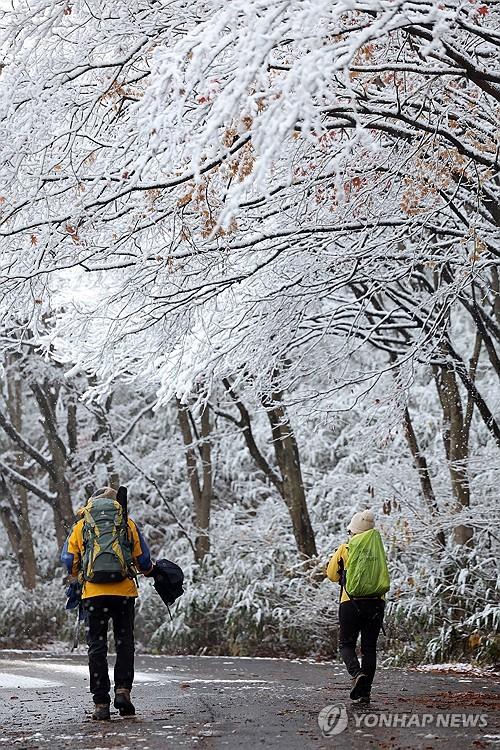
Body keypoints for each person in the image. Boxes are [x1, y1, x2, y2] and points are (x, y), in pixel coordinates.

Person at [61, 486, 154, 721]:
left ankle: (101, 703)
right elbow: (143, 559)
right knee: (124, 643)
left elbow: (69, 559)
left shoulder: (82, 525)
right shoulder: (126, 522)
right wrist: (148, 570)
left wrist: (80, 576)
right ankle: (123, 691)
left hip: (93, 594)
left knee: (97, 647)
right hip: (123, 592)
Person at [326, 509, 388, 704]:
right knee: (369, 648)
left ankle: (356, 674)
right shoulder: (378, 549)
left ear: (354, 531)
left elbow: (332, 575)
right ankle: (365, 692)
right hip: (377, 603)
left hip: (350, 602)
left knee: (346, 644)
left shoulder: (346, 548)